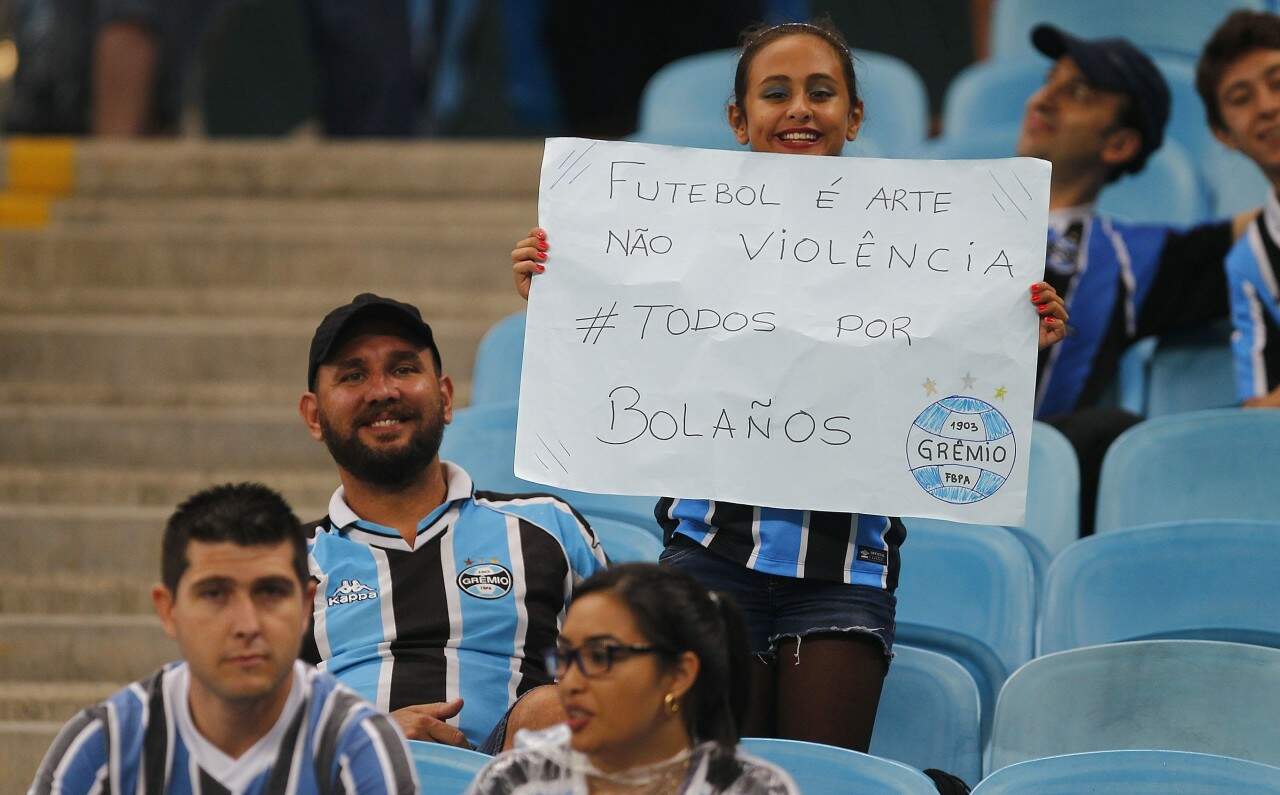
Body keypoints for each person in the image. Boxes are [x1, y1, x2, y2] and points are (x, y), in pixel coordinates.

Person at [511, 19, 1066, 752]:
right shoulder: (679, 232)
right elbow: (613, 352)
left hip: (843, 574)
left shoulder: (923, 249)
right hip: (706, 559)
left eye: (821, 92)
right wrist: (557, 293)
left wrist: (1021, 346)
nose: (799, 108)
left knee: (822, 776)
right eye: (775, 93)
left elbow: (959, 413)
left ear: (855, 116)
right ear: (738, 120)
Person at [298, 292, 609, 753]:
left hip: (516, 777)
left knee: (555, 710)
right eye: (353, 375)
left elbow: (633, 673)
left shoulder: (548, 528)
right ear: (313, 415)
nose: (383, 391)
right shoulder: (284, 563)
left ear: (445, 398)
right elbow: (245, 729)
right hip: (354, 773)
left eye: (404, 369)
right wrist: (368, 737)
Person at [1014, 24, 1259, 532]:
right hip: (885, 436)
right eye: (1050, 79)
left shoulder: (1131, 257)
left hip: (1023, 468)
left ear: (1120, 143)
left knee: (1109, 434)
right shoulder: (933, 203)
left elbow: (1268, 230)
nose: (1045, 97)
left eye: (1077, 92)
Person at [28, 482, 417, 794]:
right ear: (168, 610)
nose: (246, 625)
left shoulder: (356, 746)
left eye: (270, 592)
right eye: (215, 594)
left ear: (304, 607)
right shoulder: (104, 748)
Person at [467, 563, 799, 795]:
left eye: (600, 657)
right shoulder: (518, 780)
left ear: (679, 675)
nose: (570, 683)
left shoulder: (749, 789)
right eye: (565, 657)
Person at [1196, 10, 1280, 408]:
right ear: (1223, 134)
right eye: (1240, 98)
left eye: (1278, 83)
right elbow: (1259, 412)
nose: (1266, 106)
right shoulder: (1251, 261)